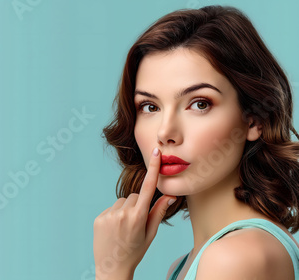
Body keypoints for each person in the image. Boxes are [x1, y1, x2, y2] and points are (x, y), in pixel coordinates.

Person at [93, 5, 299, 280]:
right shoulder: (186, 264)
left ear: (253, 120)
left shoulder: (234, 258)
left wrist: (114, 270)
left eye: (199, 104)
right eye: (150, 107)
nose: (166, 132)